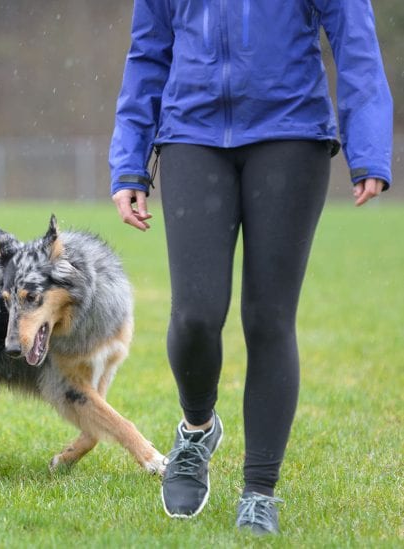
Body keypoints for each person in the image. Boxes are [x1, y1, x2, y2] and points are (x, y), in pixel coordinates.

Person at [109, 0, 392, 536]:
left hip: (292, 133)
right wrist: (129, 161)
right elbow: (147, 55)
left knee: (268, 318)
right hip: (191, 134)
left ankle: (259, 491)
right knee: (194, 314)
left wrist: (369, 145)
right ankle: (197, 430)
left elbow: (355, 38)